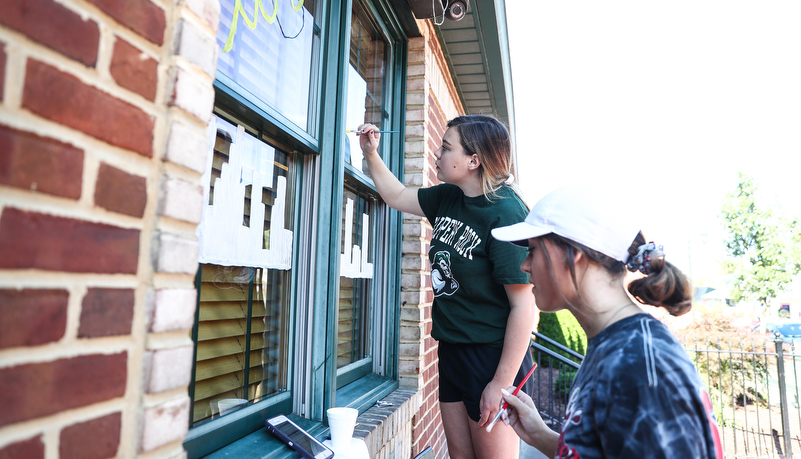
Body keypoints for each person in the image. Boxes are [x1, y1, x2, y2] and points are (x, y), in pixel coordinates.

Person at [490, 185, 724, 459]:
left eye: (533, 250)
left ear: (573, 253)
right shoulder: (617, 347)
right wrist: (540, 435)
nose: (524, 265)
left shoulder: (640, 368)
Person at [357, 115, 538, 459]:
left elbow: (524, 306)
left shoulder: (506, 213)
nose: (436, 154)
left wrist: (500, 383)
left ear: (473, 160)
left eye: (445, 147)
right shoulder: (447, 198)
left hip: (491, 356)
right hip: (452, 349)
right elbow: (396, 195)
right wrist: (370, 154)